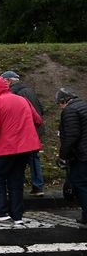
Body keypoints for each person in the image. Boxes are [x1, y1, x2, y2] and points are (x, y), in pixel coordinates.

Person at [0, 76, 42, 225]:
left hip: (4, 148)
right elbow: (38, 120)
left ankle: (1, 212)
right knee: (16, 181)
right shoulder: (22, 100)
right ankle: (17, 216)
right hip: (24, 149)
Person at [2, 71, 45, 196]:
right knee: (34, 159)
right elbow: (41, 109)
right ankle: (38, 186)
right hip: (36, 130)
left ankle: (14, 188)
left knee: (16, 160)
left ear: (8, 81)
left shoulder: (13, 93)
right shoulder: (29, 91)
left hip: (24, 132)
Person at [55, 87, 87, 228]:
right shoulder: (84, 105)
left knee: (80, 184)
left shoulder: (70, 111)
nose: (60, 107)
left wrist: (63, 156)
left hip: (82, 155)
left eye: (59, 104)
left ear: (63, 101)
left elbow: (71, 137)